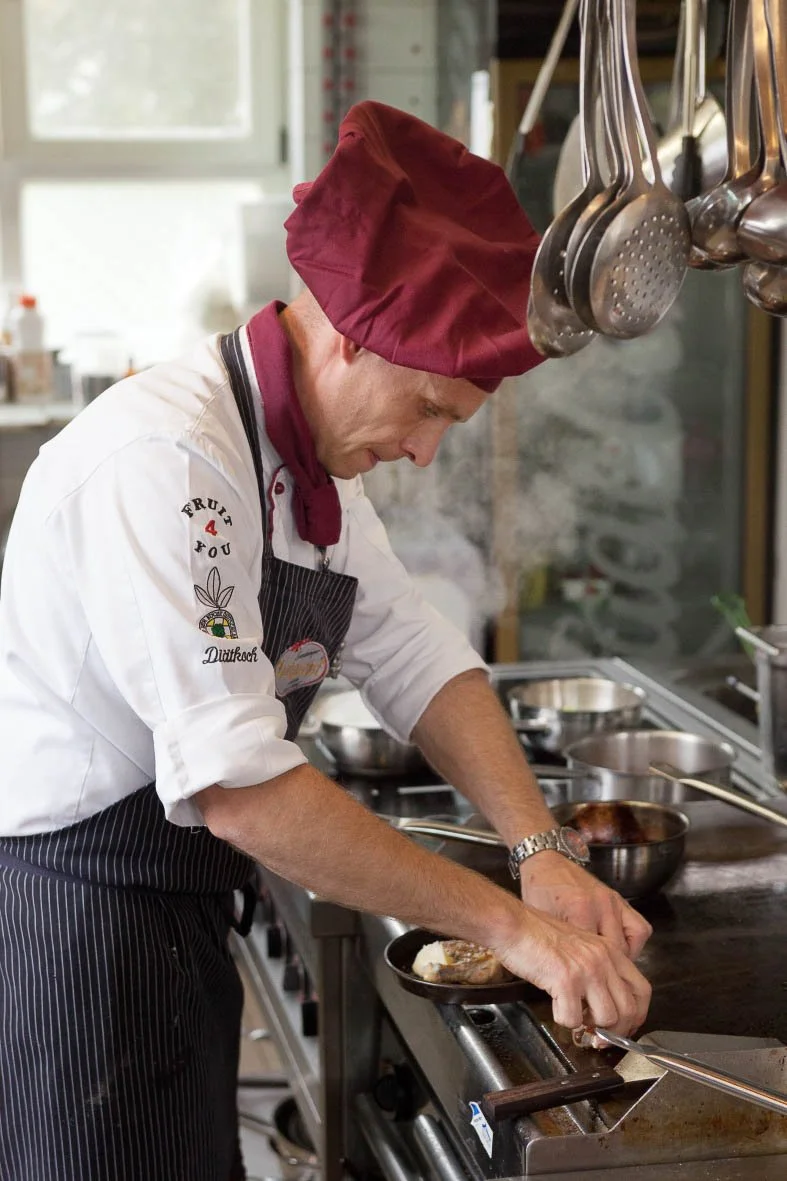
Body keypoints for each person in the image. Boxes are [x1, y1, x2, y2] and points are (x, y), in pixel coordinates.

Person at [0, 101, 652, 1181]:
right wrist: (516, 930)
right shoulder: (169, 461)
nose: (428, 449)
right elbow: (244, 788)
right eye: (430, 406)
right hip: (81, 922)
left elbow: (415, 653)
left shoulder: (307, 466)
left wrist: (539, 851)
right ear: (350, 330)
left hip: (174, 907)